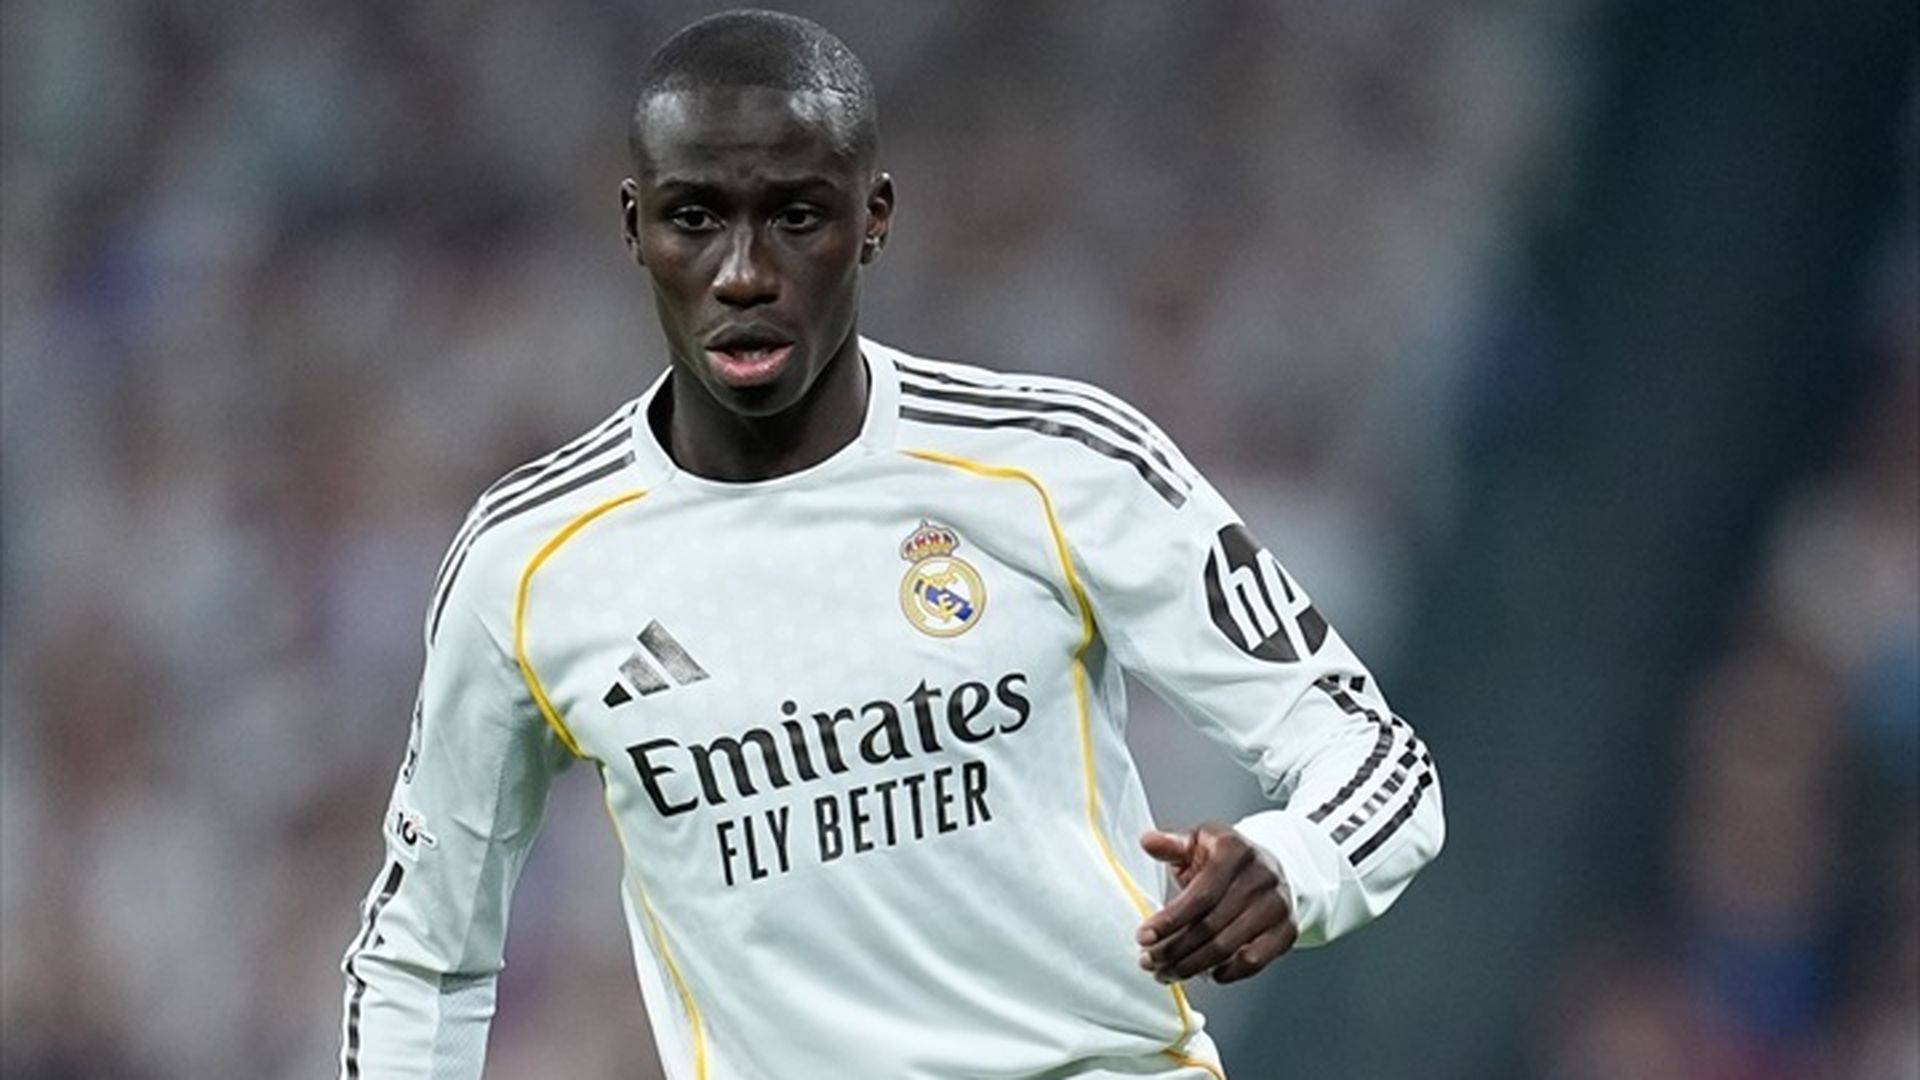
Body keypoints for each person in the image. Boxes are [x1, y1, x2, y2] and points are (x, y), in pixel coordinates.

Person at [339, 10, 1443, 1079]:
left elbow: (1375, 759)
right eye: (693, 218)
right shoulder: (529, 564)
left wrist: (1297, 865)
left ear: (874, 216)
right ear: (633, 227)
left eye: (796, 217)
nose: (742, 272)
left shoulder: (1059, 465)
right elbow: (424, 958)